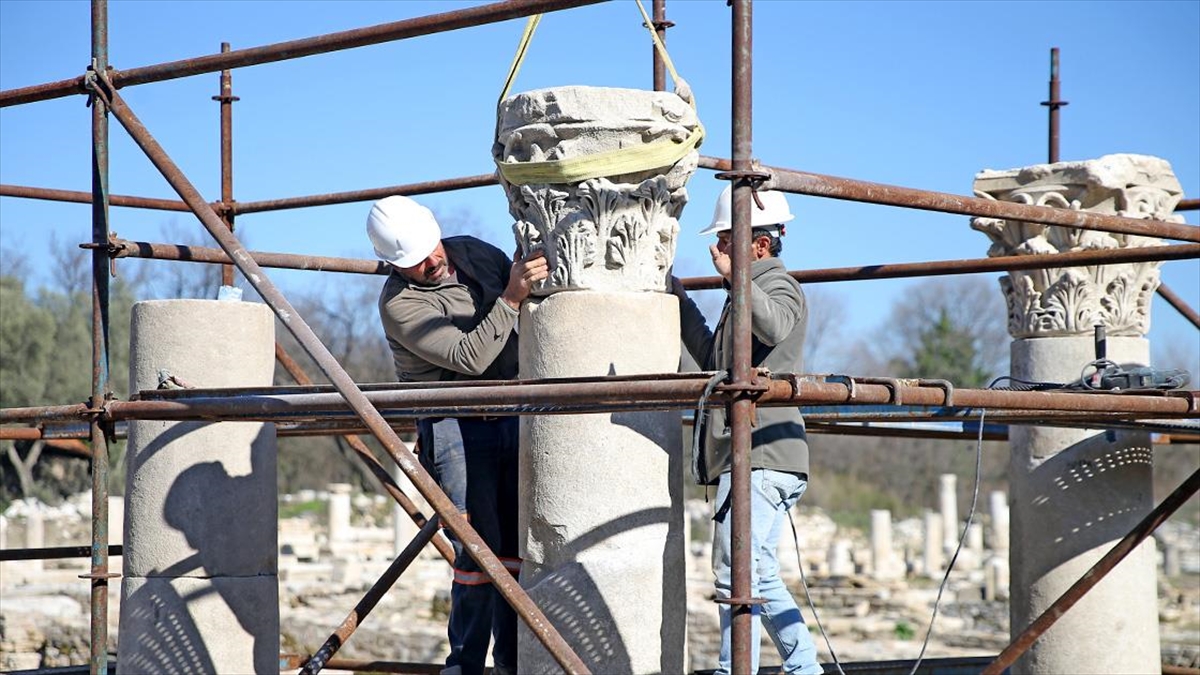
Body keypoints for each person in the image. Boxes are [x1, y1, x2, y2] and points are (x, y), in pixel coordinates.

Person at [366, 195, 548, 675]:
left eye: (432, 251)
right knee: (476, 551)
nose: (431, 263)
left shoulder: (468, 250)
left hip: (510, 407)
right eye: (416, 263)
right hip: (454, 424)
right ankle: (465, 664)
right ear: (394, 265)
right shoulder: (400, 304)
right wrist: (511, 297)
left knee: (515, 547)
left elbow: (525, 288)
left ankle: (511, 663)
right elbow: (470, 358)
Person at [670, 185, 823, 675]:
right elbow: (708, 356)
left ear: (760, 245)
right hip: (755, 456)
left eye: (726, 240)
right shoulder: (742, 295)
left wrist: (737, 279)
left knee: (734, 568)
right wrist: (676, 295)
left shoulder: (778, 286)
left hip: (760, 453)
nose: (717, 250)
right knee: (755, 570)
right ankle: (803, 670)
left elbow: (776, 325)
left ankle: (735, 670)